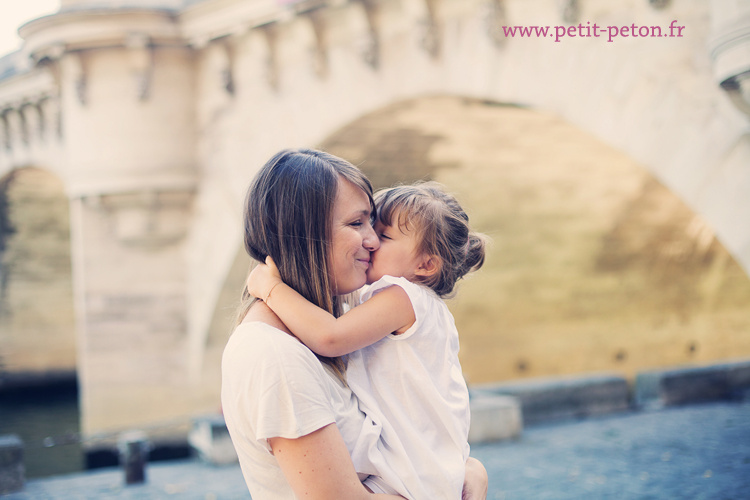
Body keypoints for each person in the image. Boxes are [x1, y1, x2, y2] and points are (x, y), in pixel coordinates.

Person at [221, 149, 488, 500]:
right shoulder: (273, 355)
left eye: (376, 227)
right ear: (305, 234)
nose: (372, 241)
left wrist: (469, 470)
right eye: (357, 223)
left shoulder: (350, 316)